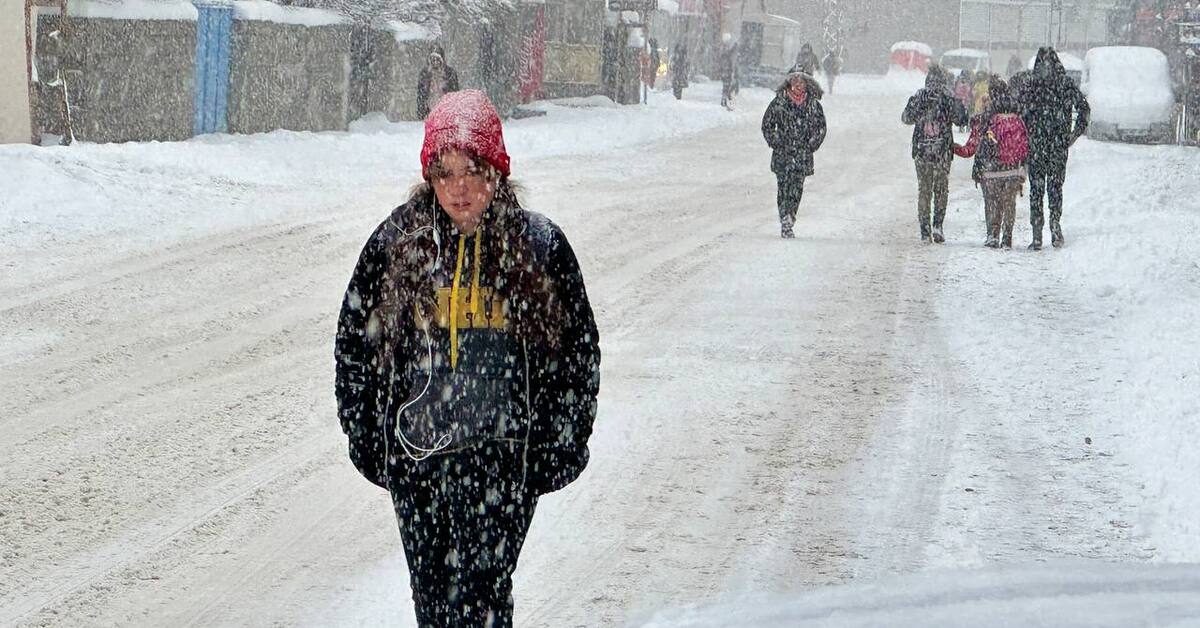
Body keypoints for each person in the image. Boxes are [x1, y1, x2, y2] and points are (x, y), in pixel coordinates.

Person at [334, 90, 601, 627]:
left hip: (502, 462)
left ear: (496, 172)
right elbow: (355, 346)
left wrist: (562, 441)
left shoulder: (539, 246)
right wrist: (366, 436)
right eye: (445, 172)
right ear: (429, 176)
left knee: (482, 600)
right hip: (419, 462)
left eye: (473, 171)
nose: (459, 188)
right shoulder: (396, 243)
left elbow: (577, 354)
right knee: (433, 605)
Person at [1017, 46, 1089, 249]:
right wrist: (1073, 135)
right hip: (1058, 144)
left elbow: (1019, 113)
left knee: (1036, 189)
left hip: (1036, 144)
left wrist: (1026, 135)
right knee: (1055, 188)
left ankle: (1037, 232)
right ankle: (1055, 226)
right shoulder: (1065, 84)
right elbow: (1084, 109)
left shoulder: (1031, 85)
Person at [954, 76, 1030, 249]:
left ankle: (992, 235)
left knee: (991, 202)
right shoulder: (1018, 115)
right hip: (1013, 168)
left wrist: (953, 148)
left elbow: (970, 149)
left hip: (990, 170)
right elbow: (1026, 143)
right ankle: (1007, 237)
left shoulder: (983, 119)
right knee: (1009, 203)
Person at [902, 65, 968, 243]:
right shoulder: (947, 99)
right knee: (941, 190)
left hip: (922, 151)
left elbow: (906, 118)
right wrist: (955, 102)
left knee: (924, 190)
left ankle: (925, 230)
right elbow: (962, 119)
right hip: (942, 152)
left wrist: (919, 107)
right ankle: (938, 225)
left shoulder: (919, 97)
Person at [761, 69, 827, 239]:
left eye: (801, 82)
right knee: (783, 188)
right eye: (795, 82)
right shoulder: (779, 102)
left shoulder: (813, 105)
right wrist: (776, 142)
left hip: (802, 155)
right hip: (783, 154)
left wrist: (812, 144)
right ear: (789, 83)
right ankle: (784, 218)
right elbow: (767, 125)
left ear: (807, 84)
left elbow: (821, 128)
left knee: (797, 188)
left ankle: (791, 216)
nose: (798, 85)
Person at [416, 45, 460, 120]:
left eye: (438, 59)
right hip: (429, 111)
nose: (435, 62)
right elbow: (421, 95)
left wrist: (454, 111)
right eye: (433, 59)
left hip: (446, 111)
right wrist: (421, 112)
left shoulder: (450, 73)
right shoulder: (424, 74)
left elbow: (455, 94)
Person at [718, 34, 738, 110]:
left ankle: (726, 101)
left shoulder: (724, 49)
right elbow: (728, 55)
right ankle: (726, 101)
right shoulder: (724, 50)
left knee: (727, 87)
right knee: (728, 87)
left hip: (726, 71)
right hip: (726, 71)